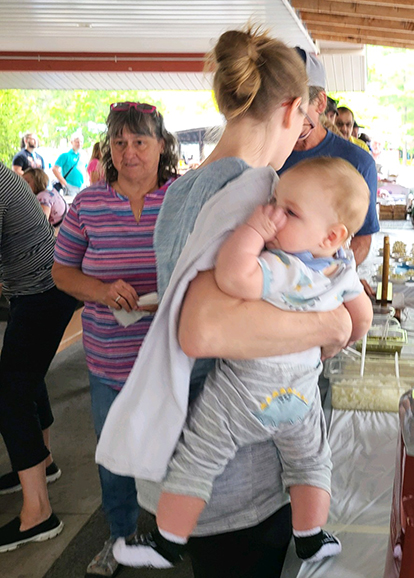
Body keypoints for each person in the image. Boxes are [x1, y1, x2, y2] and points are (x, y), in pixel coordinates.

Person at [93, 27, 353, 578]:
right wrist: (331, 324)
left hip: (187, 461)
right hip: (238, 473)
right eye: (304, 121)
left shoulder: (181, 190)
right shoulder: (255, 192)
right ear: (292, 109)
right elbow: (204, 327)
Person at [113, 157, 373, 569]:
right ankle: (310, 535)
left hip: (243, 395)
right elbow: (360, 319)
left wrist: (252, 230)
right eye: (273, 202)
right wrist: (334, 343)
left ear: (331, 235)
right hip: (301, 394)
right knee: (310, 460)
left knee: (199, 457)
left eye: (289, 211)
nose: (273, 213)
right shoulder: (341, 271)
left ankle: (168, 540)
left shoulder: (280, 266)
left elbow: (233, 276)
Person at [52, 102, 179, 577]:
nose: (129, 153)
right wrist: (102, 291)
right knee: (113, 452)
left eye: (140, 142)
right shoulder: (89, 204)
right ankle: (120, 534)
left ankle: (176, 532)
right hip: (110, 357)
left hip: (172, 353)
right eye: (120, 143)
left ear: (161, 145)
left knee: (180, 447)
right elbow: (61, 271)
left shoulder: (180, 198)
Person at [0, 163, 77, 553]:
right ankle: (41, 463)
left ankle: (38, 514)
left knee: (9, 397)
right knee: (24, 381)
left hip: (43, 292)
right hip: (38, 289)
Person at [281, 53, 379, 266]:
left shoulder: (357, 162)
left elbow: (362, 237)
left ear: (320, 103)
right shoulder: (266, 156)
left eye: (297, 107)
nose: (286, 116)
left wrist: (334, 276)